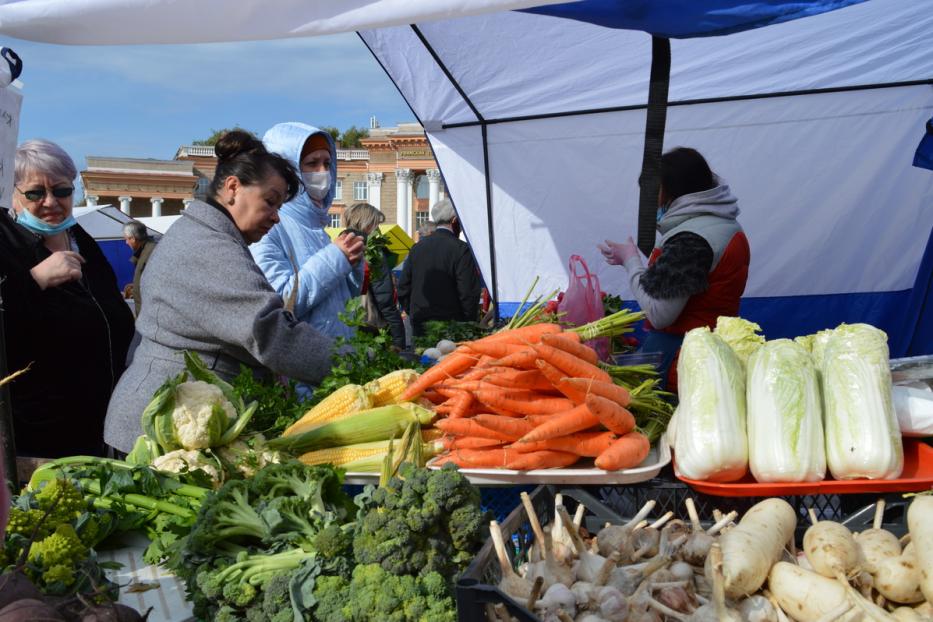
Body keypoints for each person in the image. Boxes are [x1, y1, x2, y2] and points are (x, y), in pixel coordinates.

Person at [104, 131, 335, 454]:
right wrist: (356, 365)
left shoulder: (205, 234)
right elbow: (270, 333)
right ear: (232, 188)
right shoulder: (207, 246)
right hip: (159, 432)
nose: (275, 216)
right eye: (270, 201)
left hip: (175, 421)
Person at [0, 139, 135, 457]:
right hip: (41, 436)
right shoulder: (6, 244)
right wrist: (35, 281)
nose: (51, 202)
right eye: (35, 193)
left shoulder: (81, 240)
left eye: (61, 191)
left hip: (103, 422)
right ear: (13, 195)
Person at [598, 147, 750, 386]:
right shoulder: (722, 224)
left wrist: (631, 261)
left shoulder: (692, 238)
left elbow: (660, 314)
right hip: (707, 349)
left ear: (674, 191)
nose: (654, 200)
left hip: (685, 358)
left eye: (657, 191)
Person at [252, 123, 365, 338]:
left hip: (334, 361)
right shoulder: (269, 226)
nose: (322, 172)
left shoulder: (317, 227)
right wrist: (336, 257)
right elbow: (279, 303)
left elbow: (338, 302)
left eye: (327, 163)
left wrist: (353, 265)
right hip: (300, 365)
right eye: (312, 163)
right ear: (288, 169)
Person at [398, 198, 482, 336]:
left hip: (421, 322)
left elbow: (403, 287)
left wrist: (414, 312)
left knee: (422, 356)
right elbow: (468, 292)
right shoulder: (461, 249)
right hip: (452, 325)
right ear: (455, 220)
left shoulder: (417, 248)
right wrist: (468, 322)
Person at [342, 203, 406, 349]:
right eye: (376, 225)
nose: (378, 230)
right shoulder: (372, 250)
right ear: (367, 224)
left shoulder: (339, 244)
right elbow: (384, 298)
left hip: (342, 322)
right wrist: (399, 341)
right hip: (369, 325)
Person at [122, 220, 157, 317]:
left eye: (126, 239)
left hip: (150, 315)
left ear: (133, 238)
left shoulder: (151, 252)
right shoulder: (144, 251)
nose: (126, 242)